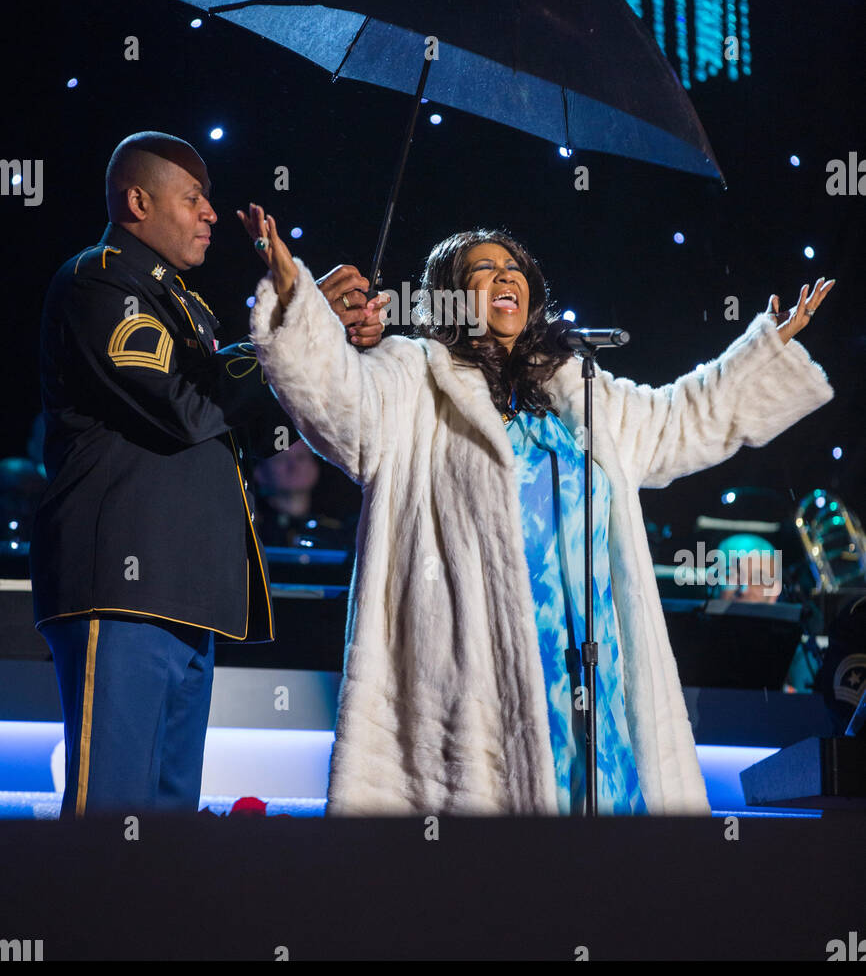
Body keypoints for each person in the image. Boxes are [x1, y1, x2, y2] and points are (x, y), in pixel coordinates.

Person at [240, 203, 835, 816]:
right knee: (491, 888)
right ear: (447, 294)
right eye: (483, 268)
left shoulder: (577, 392)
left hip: (589, 691)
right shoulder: (412, 378)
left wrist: (765, 348)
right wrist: (297, 302)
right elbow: (340, 401)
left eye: (514, 267)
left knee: (603, 888)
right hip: (476, 698)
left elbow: (680, 421)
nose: (506, 277)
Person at [30, 132, 384, 817]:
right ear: (137, 200)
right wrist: (295, 320)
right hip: (124, 588)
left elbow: (236, 413)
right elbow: (182, 406)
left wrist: (316, 331)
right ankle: (81, 931)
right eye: (193, 198)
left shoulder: (185, 307)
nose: (211, 213)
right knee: (108, 823)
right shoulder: (99, 279)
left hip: (185, 594)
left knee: (166, 838)